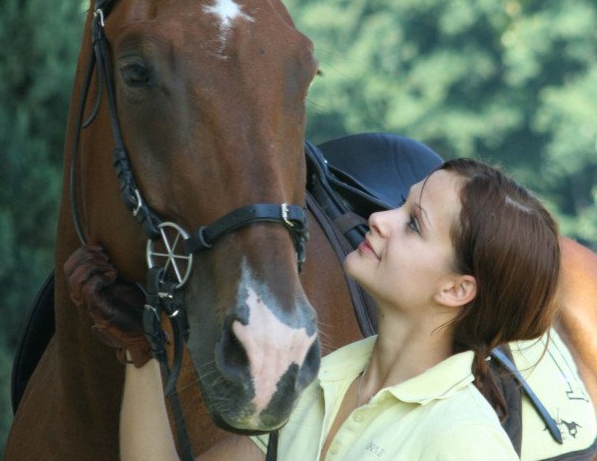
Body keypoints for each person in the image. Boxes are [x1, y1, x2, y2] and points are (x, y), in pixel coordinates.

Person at [67, 158, 561, 460]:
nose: (379, 219)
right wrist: (141, 349)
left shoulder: (464, 445)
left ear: (457, 290)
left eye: (414, 224)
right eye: (401, 204)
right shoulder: (321, 381)